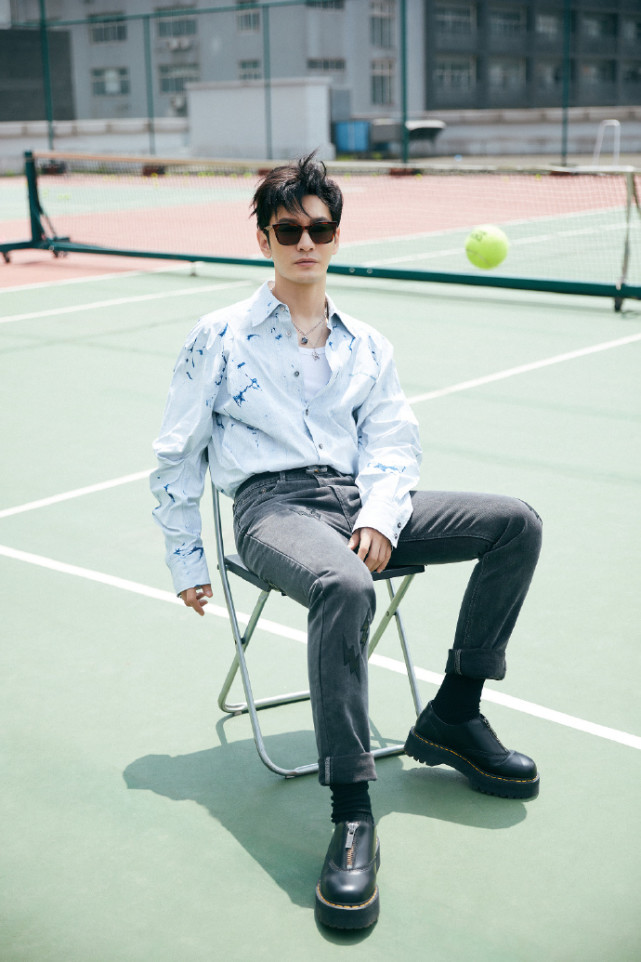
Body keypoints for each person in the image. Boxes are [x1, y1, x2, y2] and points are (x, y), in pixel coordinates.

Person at [150, 153, 542, 931]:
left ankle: (454, 714)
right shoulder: (218, 336)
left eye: (319, 229)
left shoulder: (367, 344)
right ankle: (352, 810)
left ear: (335, 236)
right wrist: (186, 556)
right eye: (288, 230)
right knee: (345, 584)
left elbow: (393, 443)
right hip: (272, 509)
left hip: (360, 501)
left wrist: (380, 517)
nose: (305, 242)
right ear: (263, 239)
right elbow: (176, 452)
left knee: (515, 523)